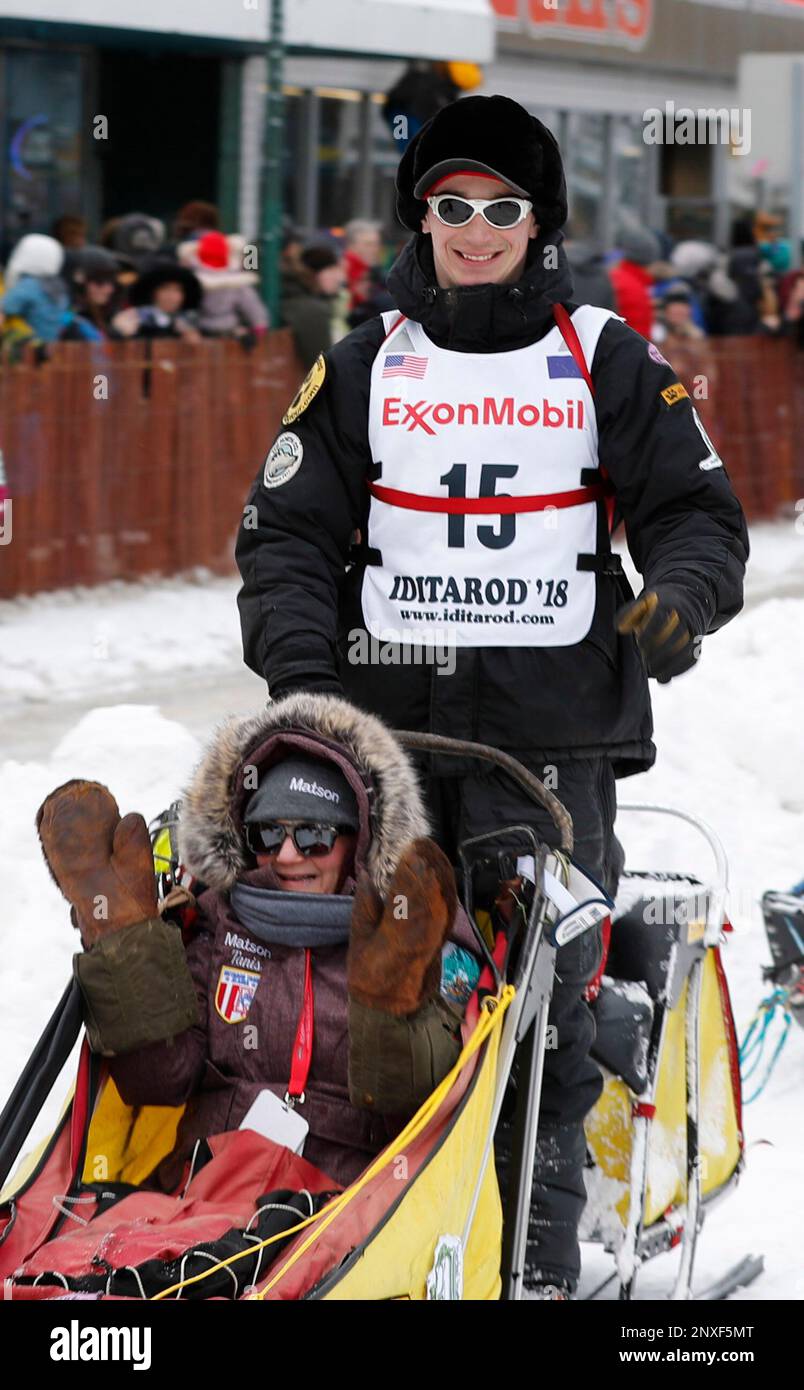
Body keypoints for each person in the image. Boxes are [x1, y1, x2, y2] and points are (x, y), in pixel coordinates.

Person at [235, 93, 748, 1297]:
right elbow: (286, 536)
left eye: (502, 209)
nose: (476, 230)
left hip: (552, 749)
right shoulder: (368, 360)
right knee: (378, 1016)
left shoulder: (604, 355)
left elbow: (695, 514)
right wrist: (307, 678)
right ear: (424, 215)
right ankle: (384, 1261)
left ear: (538, 220)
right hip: (390, 746)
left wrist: (680, 598)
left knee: (542, 1033)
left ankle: (535, 1273)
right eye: (452, 206)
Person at [36, 694, 478, 1191]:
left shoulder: (414, 923)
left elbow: (428, 1104)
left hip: (354, 1202)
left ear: (359, 838)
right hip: (209, 1185)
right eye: (269, 834)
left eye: (314, 835)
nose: (288, 856)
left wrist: (391, 998)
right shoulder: (218, 921)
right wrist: (123, 940)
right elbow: (160, 1080)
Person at [178, 230, 269, 340]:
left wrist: (258, 326)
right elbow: (252, 305)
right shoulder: (189, 277)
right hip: (202, 332)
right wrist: (259, 326)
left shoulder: (238, 278)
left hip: (224, 332)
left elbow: (251, 304)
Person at [280, 243, 344, 369]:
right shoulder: (312, 310)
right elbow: (322, 368)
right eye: (331, 270)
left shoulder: (333, 303)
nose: (339, 278)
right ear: (313, 274)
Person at [0, 233, 69, 345]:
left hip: (29, 352)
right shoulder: (59, 288)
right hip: (52, 349)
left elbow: (3, 311)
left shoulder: (28, 286)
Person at [111, 259, 202, 341]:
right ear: (153, 292)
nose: (172, 296)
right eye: (165, 289)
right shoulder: (133, 318)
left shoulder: (188, 321)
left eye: (178, 290)